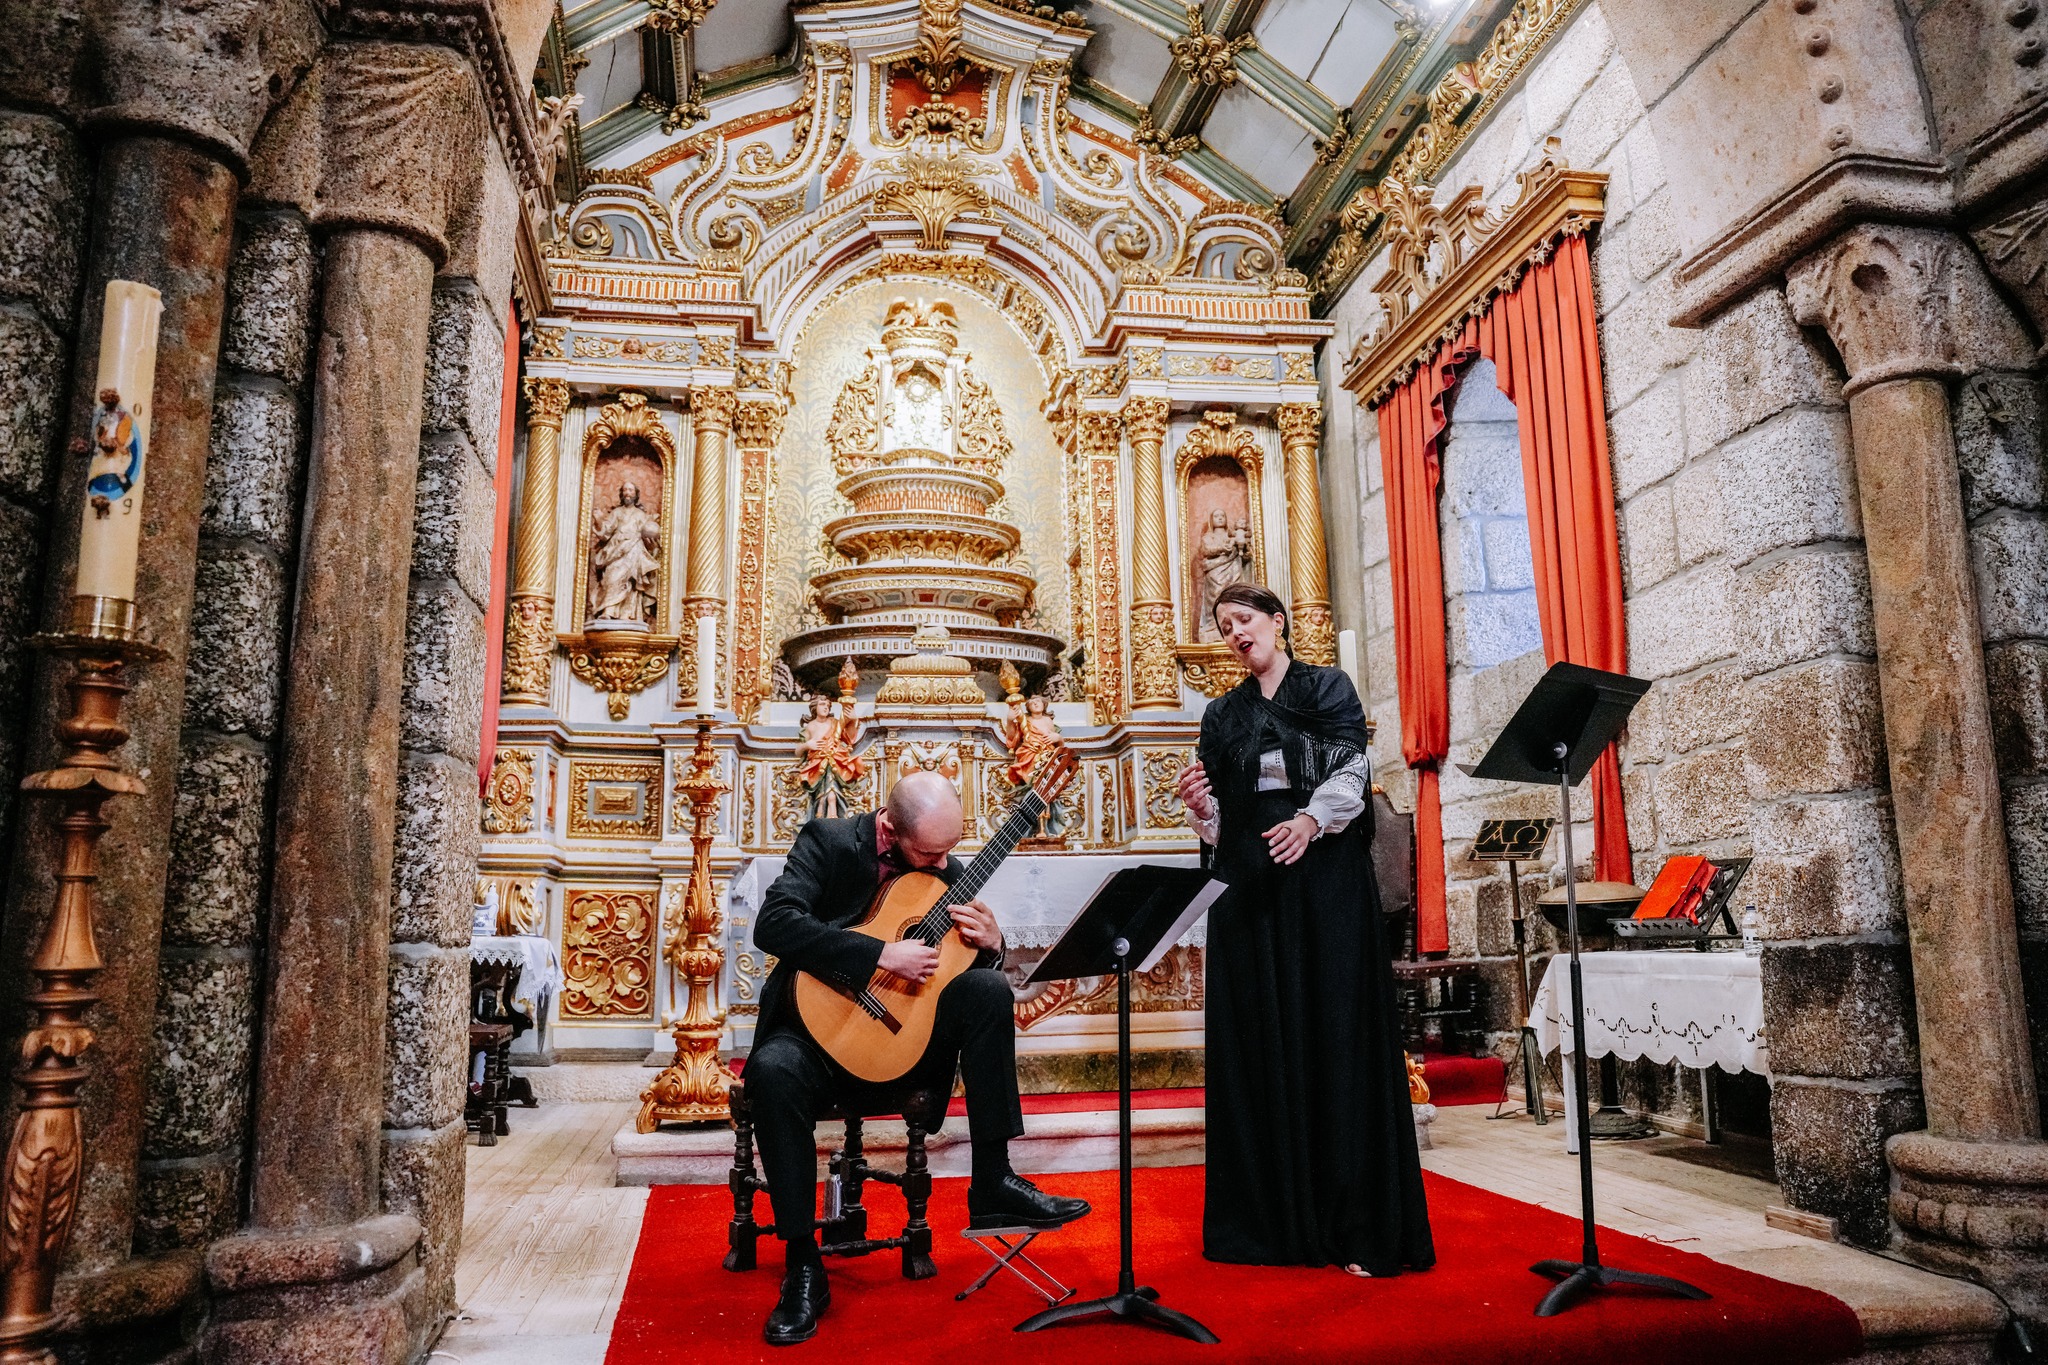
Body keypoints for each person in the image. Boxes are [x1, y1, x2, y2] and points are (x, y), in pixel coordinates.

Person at [745, 771, 1090, 1345]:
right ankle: (805, 1264)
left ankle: (994, 1180)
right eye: (931, 852)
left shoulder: (944, 870)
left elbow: (951, 979)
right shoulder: (828, 842)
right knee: (771, 1072)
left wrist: (992, 946)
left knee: (989, 991)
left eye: (951, 850)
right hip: (813, 1033)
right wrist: (881, 953)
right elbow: (772, 923)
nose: (944, 864)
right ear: (889, 827)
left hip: (900, 1046)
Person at [1174, 581, 1434, 1278]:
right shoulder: (1220, 714)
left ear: (1277, 622)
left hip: (1323, 884)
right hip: (1251, 889)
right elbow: (1223, 820)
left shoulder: (1327, 688)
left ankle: (1352, 1220)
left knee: (1334, 1034)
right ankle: (1270, 1224)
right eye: (1224, 624)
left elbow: (1351, 768)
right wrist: (1202, 809)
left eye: (1245, 618)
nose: (1234, 631)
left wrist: (1312, 820)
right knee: (1260, 1038)